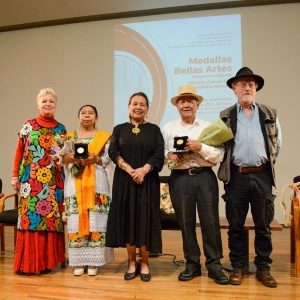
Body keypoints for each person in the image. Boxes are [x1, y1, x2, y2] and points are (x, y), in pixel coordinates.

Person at [218, 67, 282, 288]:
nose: (247, 88)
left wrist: (263, 164)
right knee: (235, 225)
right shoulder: (225, 115)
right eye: (242, 84)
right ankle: (238, 267)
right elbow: (221, 147)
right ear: (234, 89)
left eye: (251, 85)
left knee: (263, 225)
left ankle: (263, 269)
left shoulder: (269, 112)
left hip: (262, 176)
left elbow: (277, 145)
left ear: (256, 89)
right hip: (235, 177)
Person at [161, 85, 229, 285]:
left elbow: (219, 155)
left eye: (190, 100)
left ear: (197, 104)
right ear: (177, 106)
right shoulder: (168, 128)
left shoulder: (208, 127)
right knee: (186, 224)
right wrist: (168, 155)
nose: (186, 104)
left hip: (204, 177)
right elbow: (162, 153)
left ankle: (215, 265)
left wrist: (201, 147)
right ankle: (192, 264)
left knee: (210, 223)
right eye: (182, 101)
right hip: (179, 179)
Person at [105, 92, 164, 282]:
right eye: (134, 104)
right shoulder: (119, 129)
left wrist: (143, 170)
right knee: (128, 219)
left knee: (145, 220)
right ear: (129, 107)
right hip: (124, 181)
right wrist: (130, 169)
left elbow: (158, 153)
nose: (138, 107)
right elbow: (113, 151)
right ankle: (131, 261)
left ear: (147, 108)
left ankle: (145, 262)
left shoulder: (154, 130)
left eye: (142, 104)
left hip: (148, 182)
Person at [11, 88, 66, 275]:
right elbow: (19, 151)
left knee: (49, 221)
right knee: (30, 221)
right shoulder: (28, 125)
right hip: (29, 182)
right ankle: (27, 264)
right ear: (38, 104)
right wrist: (14, 176)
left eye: (51, 101)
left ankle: (44, 264)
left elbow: (64, 157)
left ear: (56, 105)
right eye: (44, 101)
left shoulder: (61, 129)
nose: (48, 104)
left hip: (52, 183)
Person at [62, 105, 114, 276]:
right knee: (76, 219)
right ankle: (79, 261)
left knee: (96, 218)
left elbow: (108, 159)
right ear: (78, 117)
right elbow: (59, 158)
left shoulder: (104, 137)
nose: (87, 116)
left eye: (90, 113)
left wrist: (97, 158)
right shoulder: (68, 137)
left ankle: (94, 262)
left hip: (97, 182)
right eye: (83, 113)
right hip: (74, 183)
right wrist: (67, 158)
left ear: (96, 118)